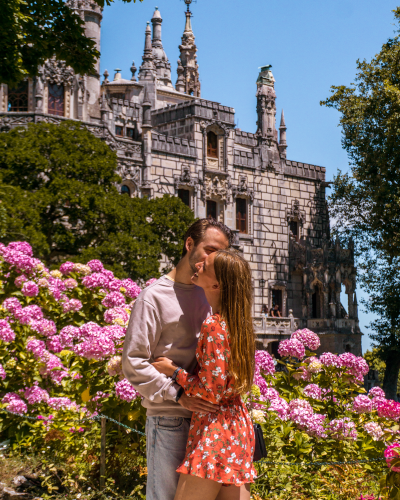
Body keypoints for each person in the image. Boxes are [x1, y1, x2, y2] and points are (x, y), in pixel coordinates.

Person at [122, 218, 232, 500]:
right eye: (209, 249)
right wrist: (177, 393)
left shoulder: (212, 291)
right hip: (170, 417)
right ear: (189, 244)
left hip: (210, 422)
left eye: (220, 253)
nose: (213, 259)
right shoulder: (153, 297)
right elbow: (134, 362)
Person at [152, 249, 257, 500]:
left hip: (214, 431)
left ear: (216, 283)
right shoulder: (240, 326)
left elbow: (211, 391)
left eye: (206, 265)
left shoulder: (214, 325)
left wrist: (174, 371)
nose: (199, 265)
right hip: (237, 427)